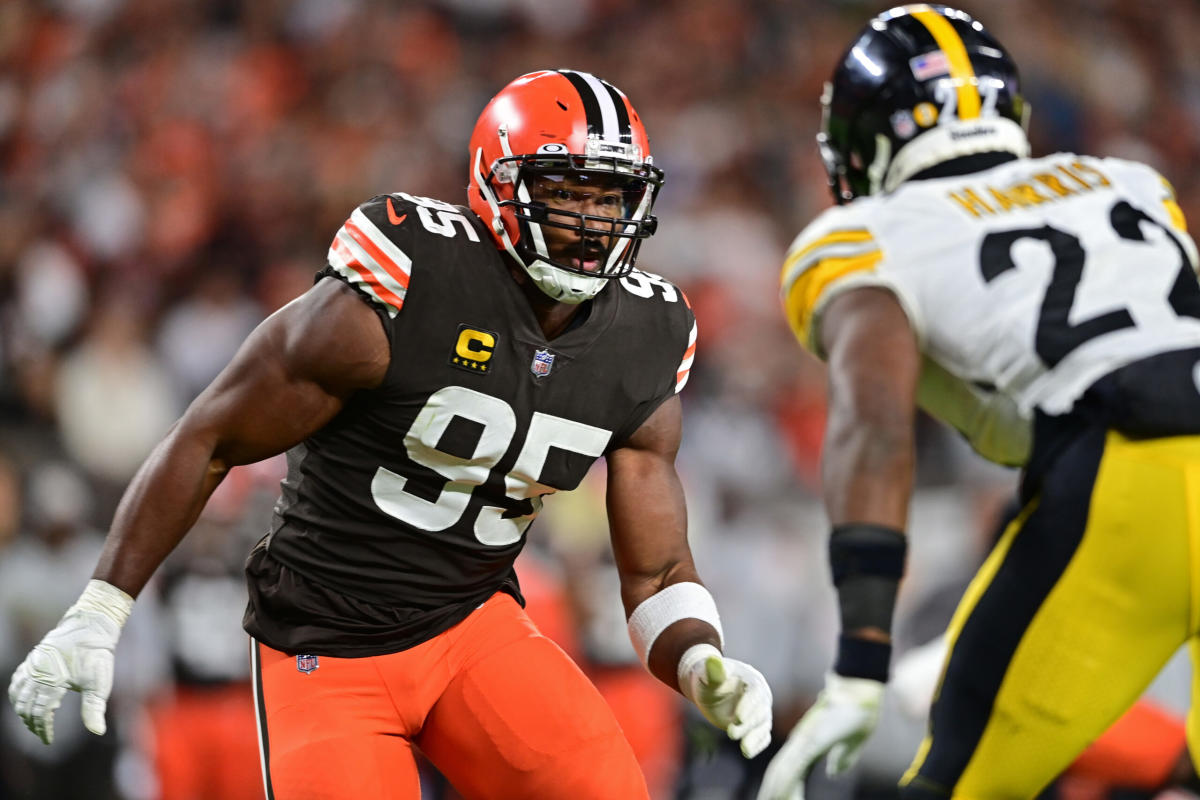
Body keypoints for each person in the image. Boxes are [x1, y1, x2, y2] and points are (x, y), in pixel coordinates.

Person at [7, 69, 773, 800]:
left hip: (473, 626)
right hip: (326, 641)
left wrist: (699, 655)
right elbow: (209, 437)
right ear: (498, 186)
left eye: (610, 197)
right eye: (565, 190)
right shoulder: (411, 283)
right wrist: (101, 608)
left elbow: (657, 569)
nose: (590, 221)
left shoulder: (646, 331)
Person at [756, 5, 1200, 799]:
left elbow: (875, 427)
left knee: (958, 784)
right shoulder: (1131, 183)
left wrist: (861, 656)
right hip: (1138, 437)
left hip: (1132, 488)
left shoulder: (868, 234)